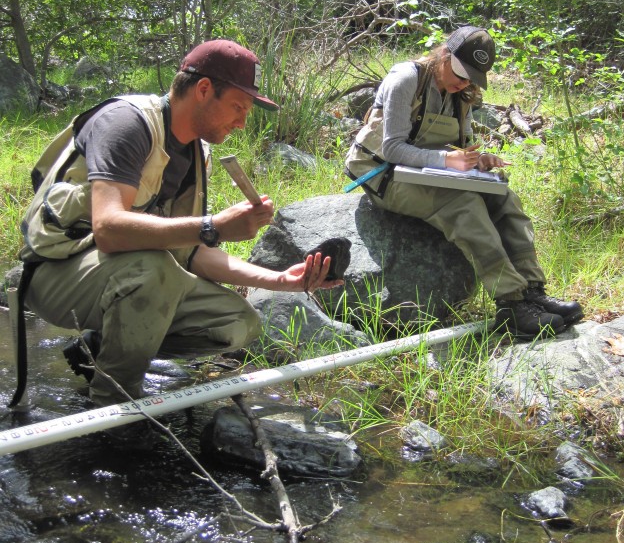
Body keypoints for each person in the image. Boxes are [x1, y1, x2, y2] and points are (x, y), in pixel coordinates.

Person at [18, 39, 342, 446]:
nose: (242, 123)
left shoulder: (195, 153)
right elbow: (110, 229)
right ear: (204, 89)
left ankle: (101, 349)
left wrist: (281, 280)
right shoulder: (126, 124)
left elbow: (193, 253)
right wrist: (212, 225)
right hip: (53, 273)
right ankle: (110, 415)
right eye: (239, 107)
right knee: (154, 271)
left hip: (116, 276)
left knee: (237, 324)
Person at [345, 26, 583, 340]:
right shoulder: (406, 79)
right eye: (461, 72)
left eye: (473, 76)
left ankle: (532, 292)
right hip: (382, 174)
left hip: (427, 172)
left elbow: (458, 147)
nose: (464, 82)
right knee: (463, 204)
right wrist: (447, 161)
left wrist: (476, 159)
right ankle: (510, 304)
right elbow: (392, 148)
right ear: (444, 54)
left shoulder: (463, 94)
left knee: (504, 198)